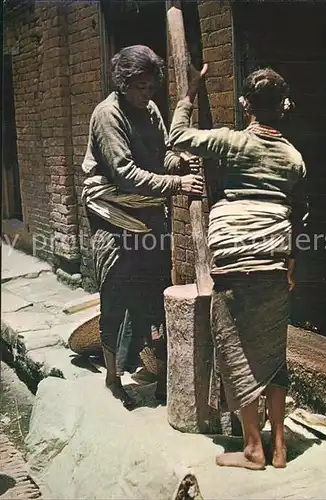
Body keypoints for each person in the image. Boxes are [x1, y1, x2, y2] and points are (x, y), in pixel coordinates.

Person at [169, 65, 308, 469]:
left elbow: (177, 136)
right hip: (274, 265)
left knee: (236, 353)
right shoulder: (294, 159)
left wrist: (189, 95)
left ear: (245, 105)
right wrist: (290, 265)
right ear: (283, 108)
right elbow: (296, 214)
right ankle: (279, 446)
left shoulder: (231, 143)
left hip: (234, 266)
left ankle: (252, 449)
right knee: (273, 353)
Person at [81, 45, 204, 409]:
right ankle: (113, 377)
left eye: (151, 88)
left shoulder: (150, 112)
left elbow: (159, 154)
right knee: (116, 293)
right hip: (114, 215)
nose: (147, 95)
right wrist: (176, 185)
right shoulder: (108, 115)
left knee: (153, 293)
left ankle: (160, 372)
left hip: (149, 214)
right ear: (123, 83)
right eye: (140, 88)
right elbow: (125, 174)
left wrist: (178, 162)